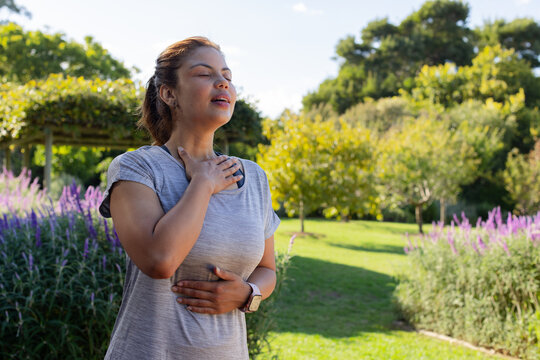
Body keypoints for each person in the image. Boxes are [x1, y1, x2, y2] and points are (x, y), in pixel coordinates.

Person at [98, 37, 280, 359]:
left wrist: (247, 294)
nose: (222, 81)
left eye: (227, 75)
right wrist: (203, 184)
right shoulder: (137, 168)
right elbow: (160, 260)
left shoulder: (254, 178)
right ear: (169, 94)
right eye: (204, 73)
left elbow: (267, 269)